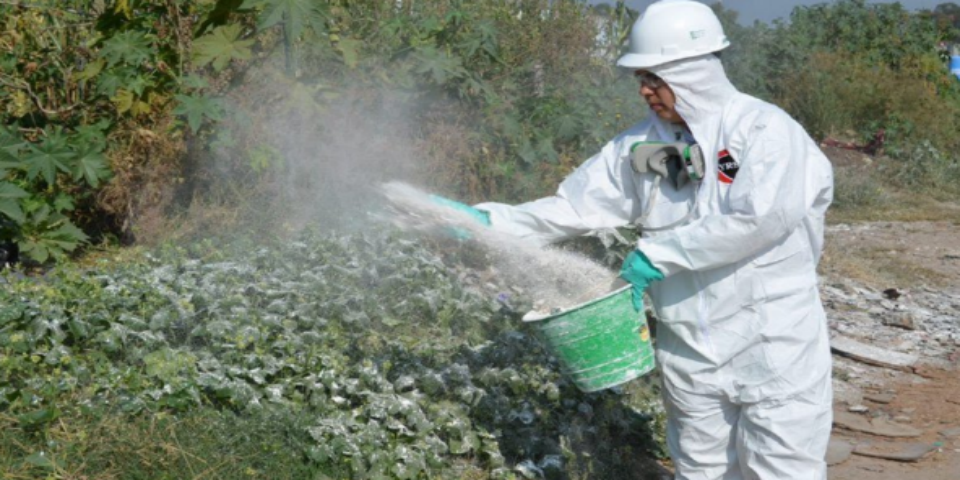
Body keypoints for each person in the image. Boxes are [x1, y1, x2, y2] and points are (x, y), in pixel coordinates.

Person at [436, 0, 834, 478]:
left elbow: (761, 220)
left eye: (654, 78)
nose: (645, 90)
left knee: (782, 468)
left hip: (773, 343)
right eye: (640, 79)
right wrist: (492, 223)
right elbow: (574, 207)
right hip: (689, 348)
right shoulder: (640, 145)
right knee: (700, 469)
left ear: (694, 72)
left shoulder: (766, 131)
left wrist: (659, 254)